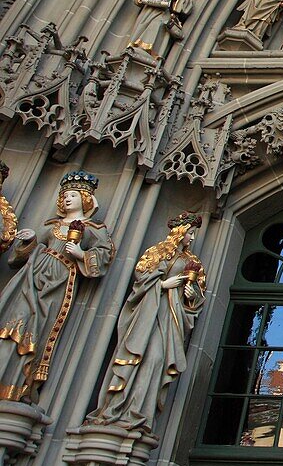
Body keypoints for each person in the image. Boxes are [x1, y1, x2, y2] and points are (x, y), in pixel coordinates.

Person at [0, 171, 115, 402]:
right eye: (65, 195)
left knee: (36, 329)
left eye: (73, 194)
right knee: (13, 324)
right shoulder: (52, 225)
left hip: (59, 282)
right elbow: (20, 257)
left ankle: (19, 385)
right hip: (31, 279)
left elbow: (104, 255)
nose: (67, 199)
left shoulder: (93, 228)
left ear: (85, 198)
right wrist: (30, 240)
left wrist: (81, 254)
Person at [87, 212, 205, 432]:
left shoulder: (192, 261)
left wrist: (191, 293)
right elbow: (140, 284)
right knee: (138, 357)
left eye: (193, 234)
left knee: (157, 359)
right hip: (148, 314)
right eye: (190, 233)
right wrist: (162, 285)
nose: (192, 238)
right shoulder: (158, 253)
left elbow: (196, 300)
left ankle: (140, 413)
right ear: (179, 232)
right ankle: (119, 410)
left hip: (170, 317)